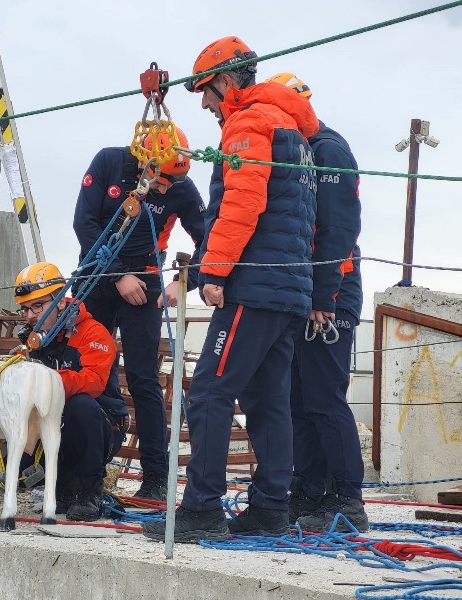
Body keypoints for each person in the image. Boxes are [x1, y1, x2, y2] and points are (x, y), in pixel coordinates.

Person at [143, 36, 319, 542]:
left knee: (212, 393)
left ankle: (200, 509)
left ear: (224, 81)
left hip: (254, 287)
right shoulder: (294, 131)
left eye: (204, 91)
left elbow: (243, 202)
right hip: (289, 289)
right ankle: (269, 509)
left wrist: (212, 272)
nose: (203, 103)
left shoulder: (248, 123)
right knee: (268, 401)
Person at [73, 127, 205, 501]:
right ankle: (89, 470)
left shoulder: (180, 186)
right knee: (89, 369)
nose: (166, 190)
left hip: (145, 277)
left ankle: (155, 478)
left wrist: (184, 282)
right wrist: (117, 276)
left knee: (144, 378)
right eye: (161, 181)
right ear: (145, 162)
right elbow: (84, 224)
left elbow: (209, 238)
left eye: (174, 182)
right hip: (97, 275)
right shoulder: (108, 162)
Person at [266, 72, 368, 532]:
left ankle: (348, 497)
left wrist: (324, 294)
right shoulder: (303, 151)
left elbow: (339, 230)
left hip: (330, 293)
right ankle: (309, 489)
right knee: (296, 397)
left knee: (325, 398)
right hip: (305, 292)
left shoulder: (328, 149)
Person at [13, 261, 128, 521]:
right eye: (26, 309)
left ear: (60, 302)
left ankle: (91, 492)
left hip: (102, 426)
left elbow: (95, 381)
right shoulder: (35, 339)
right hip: (56, 425)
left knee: (79, 405)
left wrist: (44, 379)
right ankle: (62, 488)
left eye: (38, 306)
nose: (31, 316)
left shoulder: (92, 332)